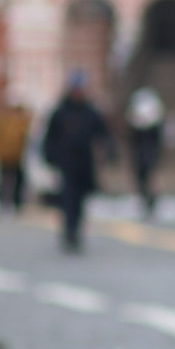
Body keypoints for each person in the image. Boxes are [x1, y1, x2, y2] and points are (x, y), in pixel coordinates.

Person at [41, 73, 112, 253]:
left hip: (84, 161)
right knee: (68, 197)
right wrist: (49, 156)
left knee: (80, 199)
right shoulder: (60, 112)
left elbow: (102, 133)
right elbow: (50, 137)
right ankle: (69, 230)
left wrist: (109, 152)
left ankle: (76, 229)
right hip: (66, 162)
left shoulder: (90, 111)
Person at [125, 86, 166, 219]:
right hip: (140, 154)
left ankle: (152, 201)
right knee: (141, 179)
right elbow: (131, 139)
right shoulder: (136, 123)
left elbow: (159, 139)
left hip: (150, 154)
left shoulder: (155, 125)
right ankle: (145, 201)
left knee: (151, 178)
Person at [0, 102, 32, 212]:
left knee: (16, 180)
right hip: (5, 156)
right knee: (2, 180)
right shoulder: (5, 121)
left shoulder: (20, 121)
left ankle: (16, 202)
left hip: (16, 156)